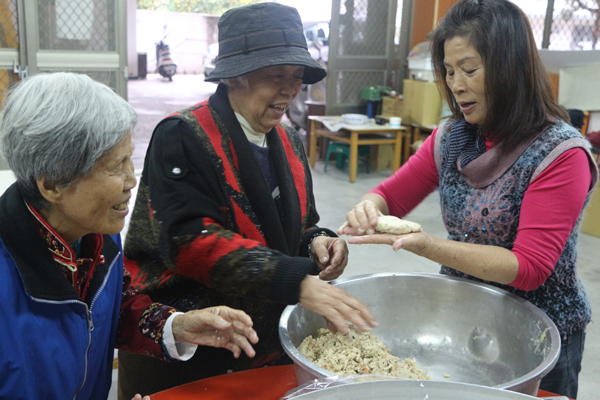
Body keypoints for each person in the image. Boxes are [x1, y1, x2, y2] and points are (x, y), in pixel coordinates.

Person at [338, 1, 598, 398]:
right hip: (466, 320)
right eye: (449, 71)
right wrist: (369, 207)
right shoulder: (454, 138)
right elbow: (390, 194)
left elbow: (528, 267)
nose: (456, 84)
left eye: (470, 69)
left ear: (511, 67)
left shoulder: (560, 154)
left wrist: (427, 246)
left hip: (540, 335)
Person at [117, 3, 377, 399]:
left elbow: (302, 222)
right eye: (276, 75)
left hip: (261, 344)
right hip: (192, 346)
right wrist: (295, 281)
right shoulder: (183, 136)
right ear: (234, 76)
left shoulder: (288, 140)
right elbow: (190, 241)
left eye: (296, 77)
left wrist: (319, 242)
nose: (290, 89)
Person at [0, 72, 259, 400]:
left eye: (129, 161)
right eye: (115, 166)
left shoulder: (99, 235)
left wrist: (175, 326)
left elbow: (106, 313)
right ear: (51, 183)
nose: (131, 180)